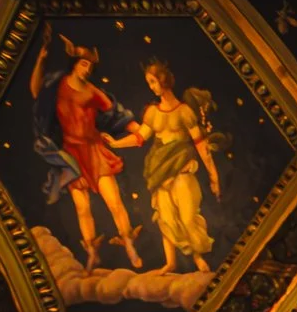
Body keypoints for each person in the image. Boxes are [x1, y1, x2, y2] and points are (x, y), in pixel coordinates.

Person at [32, 34, 143, 271]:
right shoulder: (57, 85)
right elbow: (36, 92)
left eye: (91, 66)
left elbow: (115, 112)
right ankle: (92, 253)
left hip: (94, 150)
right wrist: (41, 61)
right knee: (82, 208)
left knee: (114, 202)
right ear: (74, 64)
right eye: (84, 64)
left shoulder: (92, 92)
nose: (87, 69)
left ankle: (129, 245)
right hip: (71, 154)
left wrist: (136, 129)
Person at [132, 60, 222, 273]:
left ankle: (198, 257)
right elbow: (140, 137)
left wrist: (213, 175)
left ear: (163, 80)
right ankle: (171, 262)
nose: (151, 87)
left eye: (153, 81)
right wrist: (116, 143)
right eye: (149, 83)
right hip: (160, 172)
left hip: (182, 171)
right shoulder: (152, 112)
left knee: (188, 217)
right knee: (166, 218)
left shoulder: (184, 112)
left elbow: (201, 146)